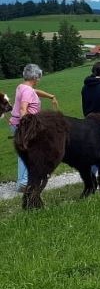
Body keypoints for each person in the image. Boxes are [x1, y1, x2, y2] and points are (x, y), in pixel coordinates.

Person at [8, 63, 59, 192]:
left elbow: (34, 92)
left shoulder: (22, 87)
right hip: (25, 126)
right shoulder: (27, 91)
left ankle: (26, 181)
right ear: (35, 77)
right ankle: (24, 183)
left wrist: (50, 96)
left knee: (26, 153)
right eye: (39, 77)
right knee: (28, 153)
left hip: (18, 124)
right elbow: (23, 109)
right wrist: (24, 129)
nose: (39, 80)